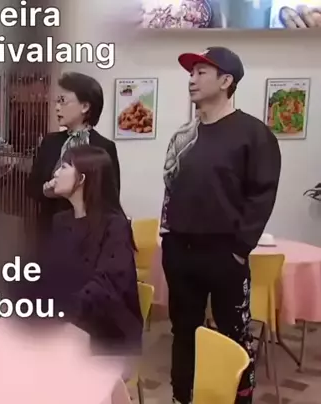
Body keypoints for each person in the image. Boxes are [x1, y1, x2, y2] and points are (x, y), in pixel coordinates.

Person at [161, 47, 281, 404]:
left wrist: (239, 248)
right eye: (191, 73)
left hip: (225, 253)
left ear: (226, 81)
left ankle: (238, 398)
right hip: (180, 251)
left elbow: (262, 195)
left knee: (234, 334)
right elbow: (171, 189)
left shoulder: (253, 134)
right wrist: (168, 236)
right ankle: (182, 395)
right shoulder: (184, 136)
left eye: (201, 72)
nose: (192, 79)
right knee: (184, 330)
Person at [24, 145, 141, 357]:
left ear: (82, 178)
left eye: (64, 167)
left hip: (105, 328)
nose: (55, 173)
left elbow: (107, 285)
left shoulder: (115, 226)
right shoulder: (61, 221)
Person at [28, 72, 120, 239]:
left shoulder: (104, 147)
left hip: (90, 233)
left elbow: (110, 196)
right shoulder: (50, 142)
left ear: (85, 107)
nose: (57, 107)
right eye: (56, 101)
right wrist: (48, 190)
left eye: (63, 101)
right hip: (50, 231)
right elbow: (32, 187)